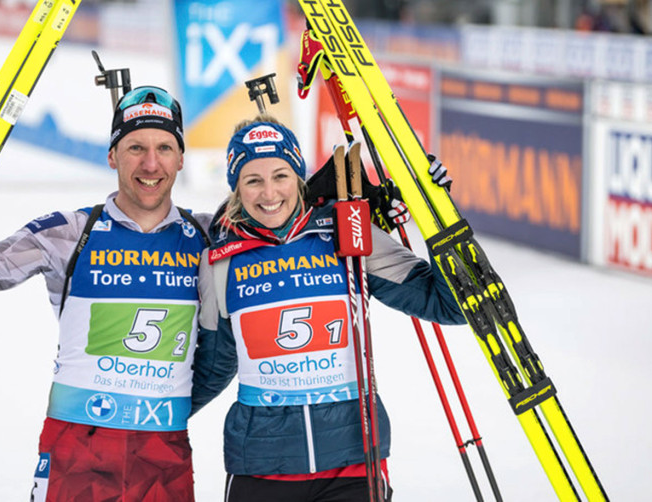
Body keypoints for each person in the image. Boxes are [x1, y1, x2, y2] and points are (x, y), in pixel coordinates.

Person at [0, 85, 212, 502]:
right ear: (112, 155)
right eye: (135, 147)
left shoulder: (208, 236)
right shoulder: (70, 232)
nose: (151, 163)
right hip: (79, 447)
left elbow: (274, 223)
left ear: (180, 158)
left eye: (164, 148)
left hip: (161, 452)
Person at [192, 116, 465, 501]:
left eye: (281, 175)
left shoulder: (348, 232)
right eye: (253, 180)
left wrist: (439, 211)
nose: (269, 193)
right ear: (236, 186)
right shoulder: (220, 260)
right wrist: (150, 421)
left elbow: (449, 304)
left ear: (299, 176)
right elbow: (214, 365)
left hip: (353, 463)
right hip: (261, 465)